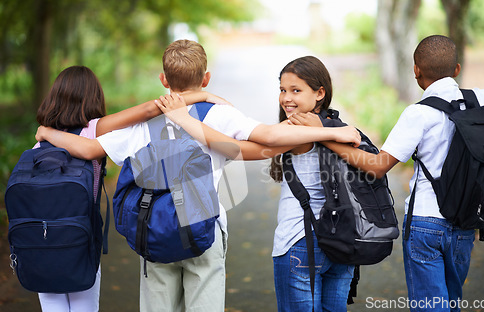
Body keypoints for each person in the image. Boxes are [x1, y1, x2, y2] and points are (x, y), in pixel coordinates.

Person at [36, 40, 361, 312]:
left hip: (152, 229)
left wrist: (47, 132)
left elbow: (89, 148)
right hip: (204, 227)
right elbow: (269, 136)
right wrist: (333, 132)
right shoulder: (220, 113)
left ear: (164, 79)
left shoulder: (140, 124)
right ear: (205, 79)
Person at [288, 35, 484, 311]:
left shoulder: (418, 114)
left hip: (426, 222)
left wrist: (324, 135)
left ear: (416, 70)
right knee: (451, 302)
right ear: (457, 69)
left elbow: (377, 166)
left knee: (430, 306)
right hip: (469, 219)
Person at [154, 55, 356, 312]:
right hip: (343, 241)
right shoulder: (339, 125)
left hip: (300, 241)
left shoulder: (298, 130)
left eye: (296, 90)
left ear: (320, 93)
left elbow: (234, 148)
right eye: (283, 90)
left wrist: (185, 119)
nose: (286, 98)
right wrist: (206, 98)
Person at [33, 65, 170, 312]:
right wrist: (203, 96)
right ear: (93, 97)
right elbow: (152, 108)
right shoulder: (94, 129)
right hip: (81, 237)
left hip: (39, 240)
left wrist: (45, 131)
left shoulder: (40, 144)